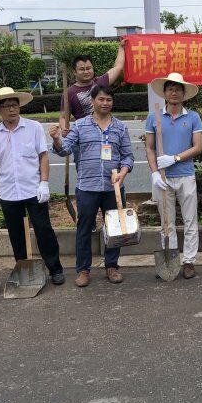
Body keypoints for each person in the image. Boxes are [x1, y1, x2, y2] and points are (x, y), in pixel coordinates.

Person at [0, 87, 65, 285]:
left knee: (44, 230)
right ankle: (23, 269)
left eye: (14, 105)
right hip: (8, 192)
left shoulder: (33, 127)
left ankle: (55, 269)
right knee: (16, 235)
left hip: (33, 189)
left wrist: (44, 183)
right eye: (7, 106)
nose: (12, 109)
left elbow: (43, 156)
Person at [49, 84, 134, 287]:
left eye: (109, 100)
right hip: (87, 187)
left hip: (113, 188)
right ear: (92, 101)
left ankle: (112, 266)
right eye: (101, 99)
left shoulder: (120, 127)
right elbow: (65, 150)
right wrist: (57, 140)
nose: (105, 103)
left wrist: (123, 173)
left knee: (114, 228)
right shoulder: (80, 126)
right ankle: (83, 270)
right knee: (84, 228)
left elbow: (128, 156)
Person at [144, 72, 202, 279]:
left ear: (183, 93)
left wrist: (175, 158)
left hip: (185, 175)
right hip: (163, 178)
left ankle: (189, 261)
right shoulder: (154, 116)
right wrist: (154, 173)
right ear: (164, 93)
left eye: (178, 89)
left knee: (190, 220)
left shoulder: (193, 117)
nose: (174, 92)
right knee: (166, 222)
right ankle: (170, 259)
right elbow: (150, 148)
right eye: (170, 89)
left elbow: (197, 147)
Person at [65, 46, 126, 121]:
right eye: (82, 69)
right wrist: (63, 126)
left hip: (105, 127)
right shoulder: (69, 93)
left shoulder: (101, 82)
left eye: (88, 68)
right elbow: (64, 117)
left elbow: (118, 67)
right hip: (84, 128)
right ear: (74, 72)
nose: (86, 72)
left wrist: (121, 47)